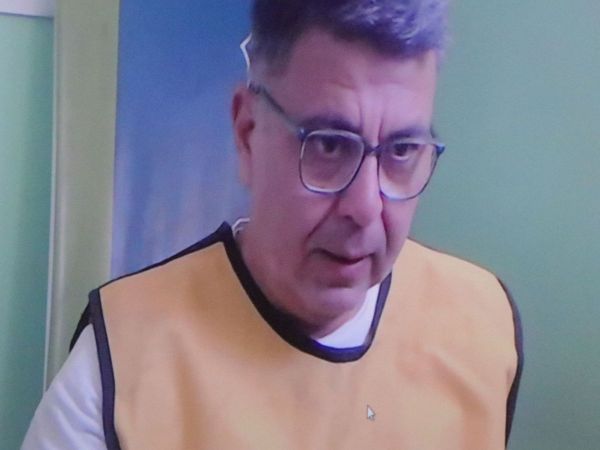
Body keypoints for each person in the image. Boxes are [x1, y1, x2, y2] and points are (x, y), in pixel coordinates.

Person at [23, 1, 523, 449]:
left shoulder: (484, 327)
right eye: (329, 144)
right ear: (247, 134)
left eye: (402, 150)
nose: (366, 208)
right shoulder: (116, 372)